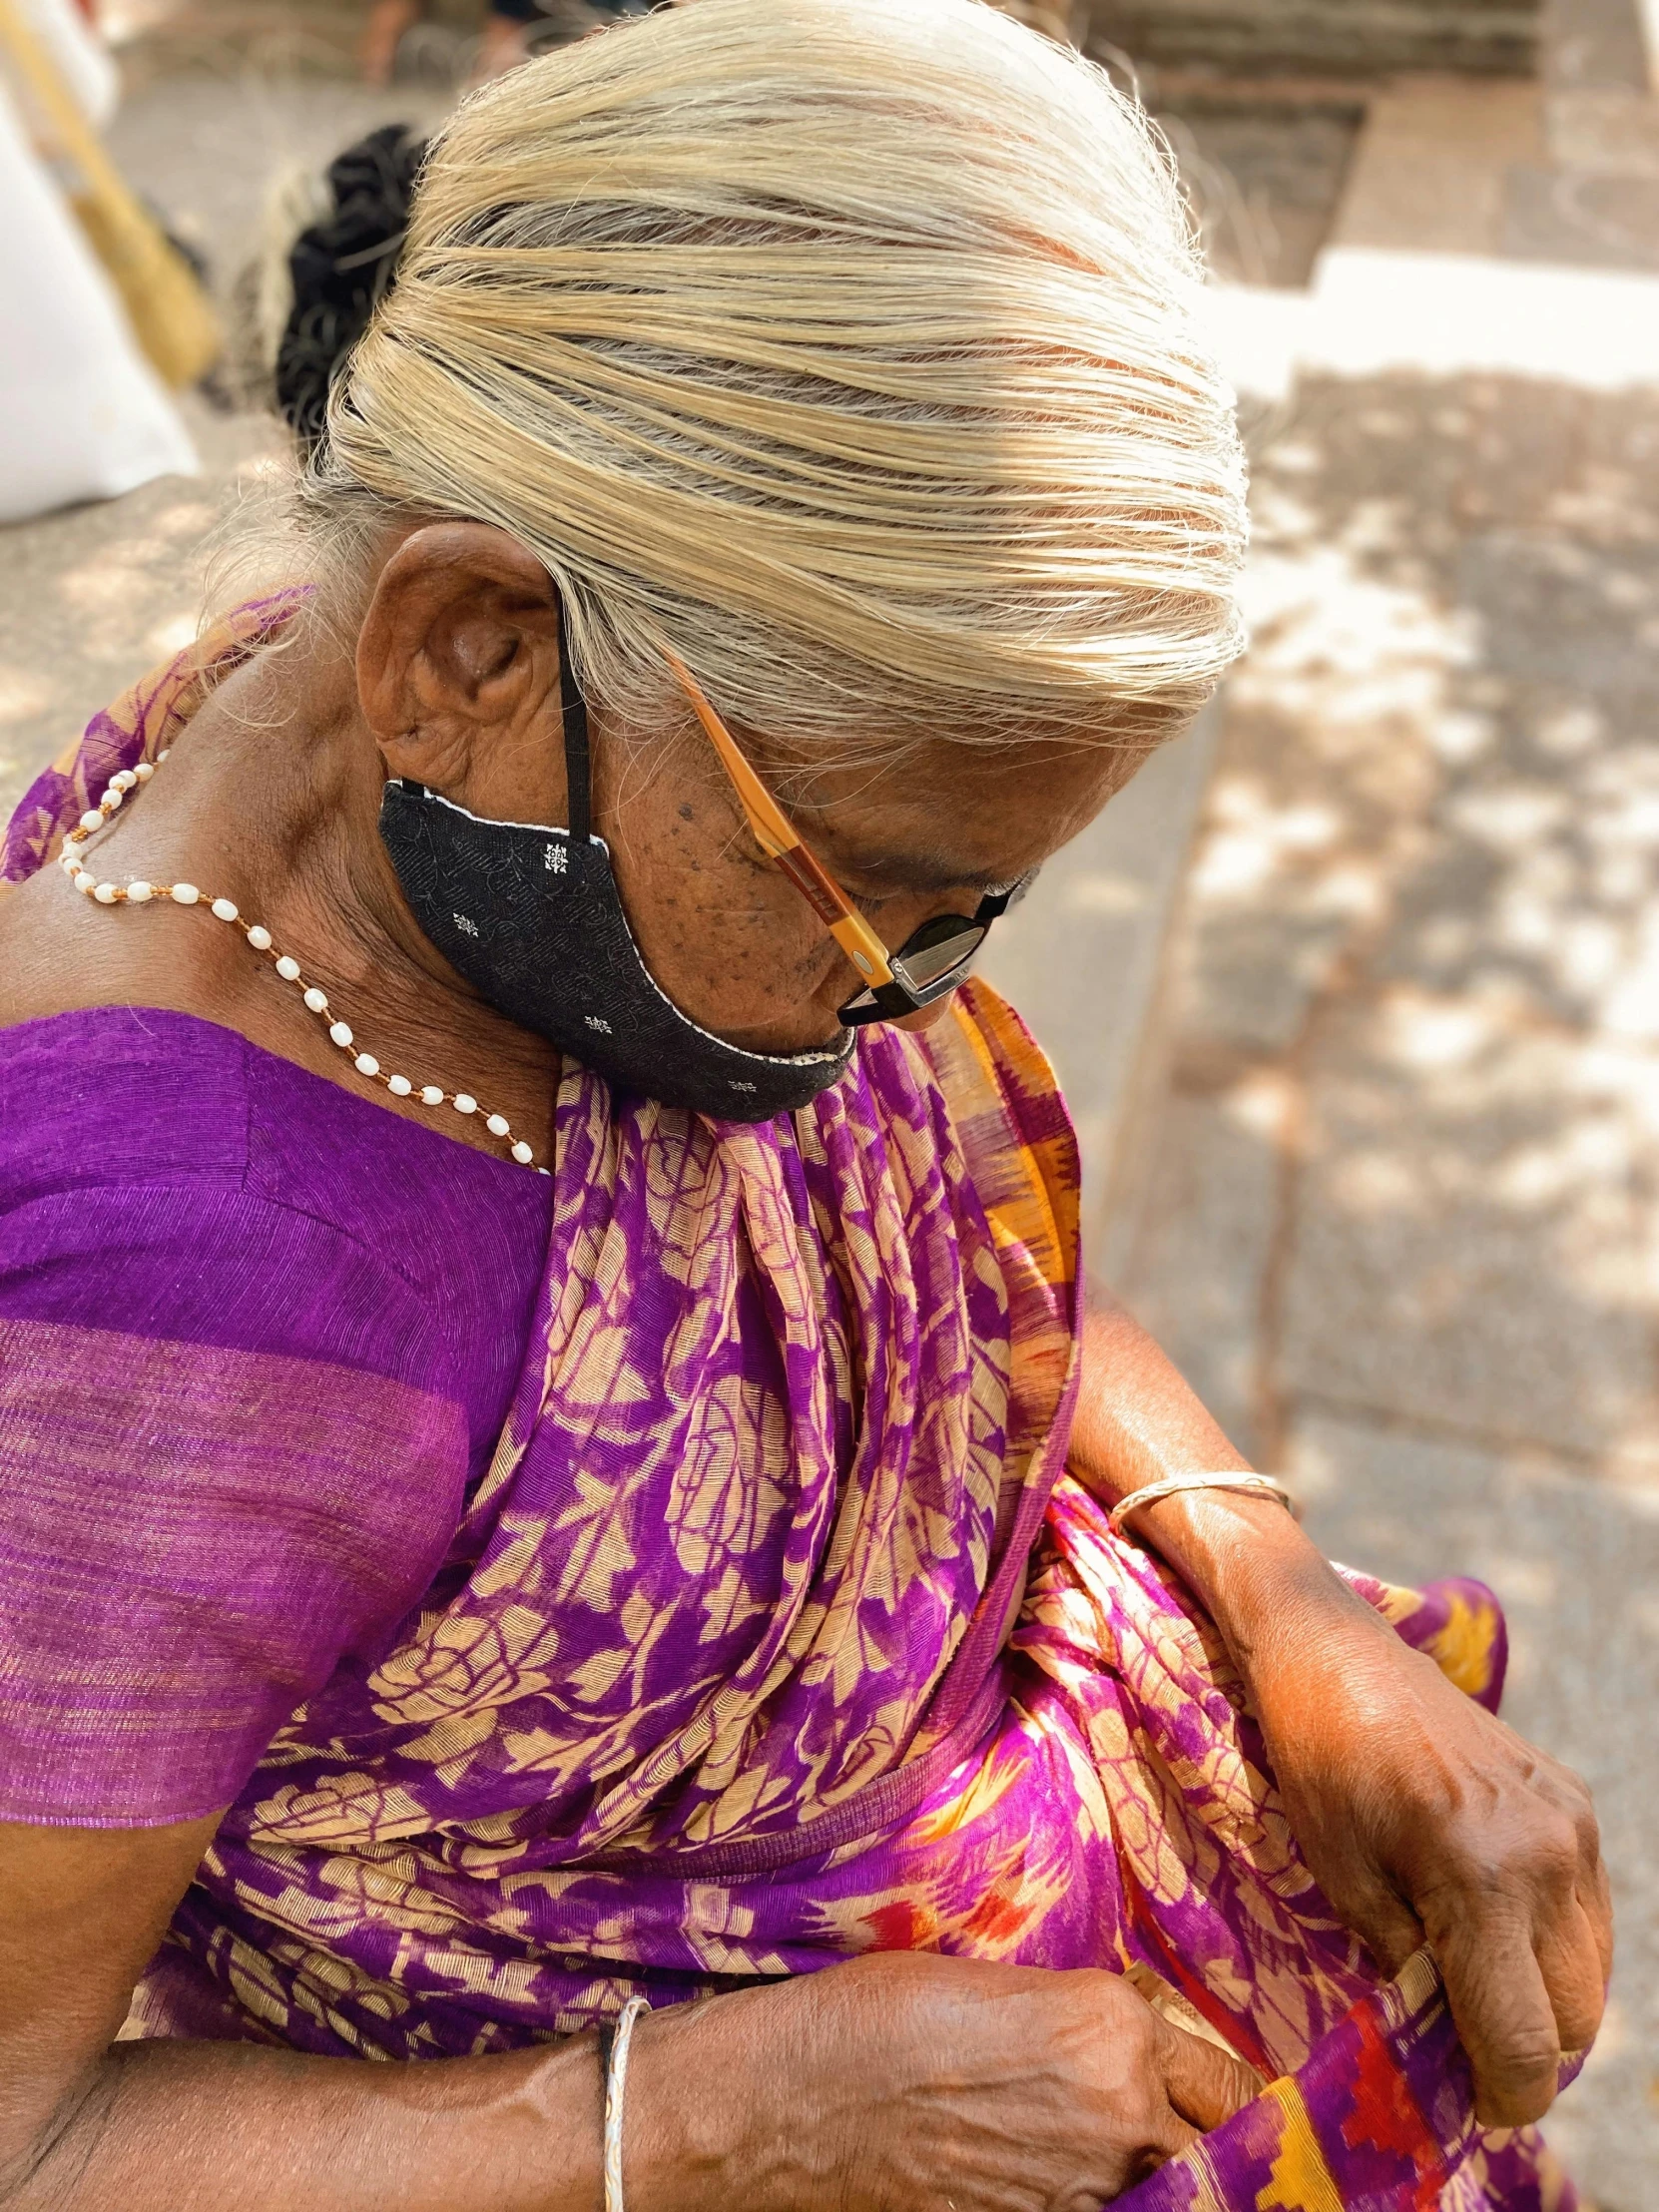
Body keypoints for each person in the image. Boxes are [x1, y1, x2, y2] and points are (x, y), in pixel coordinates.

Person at [0, 3, 1608, 2207]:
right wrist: (745, 2114)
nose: (909, 1002)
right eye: (883, 893)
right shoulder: (178, 1305)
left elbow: (929, 1269)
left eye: (979, 905)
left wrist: (1270, 1587)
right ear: (464, 644)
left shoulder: (449, 790)